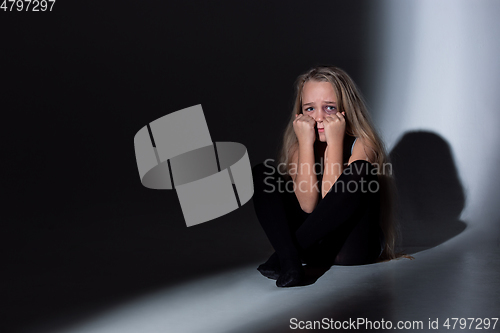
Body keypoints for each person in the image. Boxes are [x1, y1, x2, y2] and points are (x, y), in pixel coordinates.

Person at [252, 66, 398, 288]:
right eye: (310, 109)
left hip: (352, 249)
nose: (318, 117)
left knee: (360, 171)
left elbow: (334, 201)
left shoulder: (364, 144)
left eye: (329, 108)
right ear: (300, 113)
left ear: (344, 111)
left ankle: (282, 258)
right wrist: (305, 145)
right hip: (312, 250)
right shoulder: (298, 146)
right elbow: (308, 206)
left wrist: (335, 142)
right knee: (263, 172)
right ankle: (291, 260)